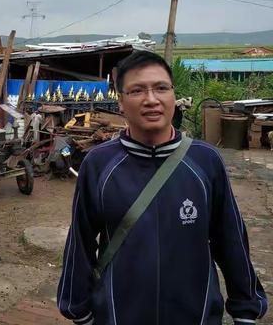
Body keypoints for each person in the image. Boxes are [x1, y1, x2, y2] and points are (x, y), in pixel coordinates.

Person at [57, 51, 267, 325]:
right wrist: (78, 309)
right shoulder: (99, 164)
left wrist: (246, 309)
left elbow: (231, 239)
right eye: (137, 90)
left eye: (161, 88)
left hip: (197, 315)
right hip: (118, 315)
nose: (152, 100)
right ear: (120, 102)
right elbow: (80, 243)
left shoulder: (205, 161)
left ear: (173, 96)